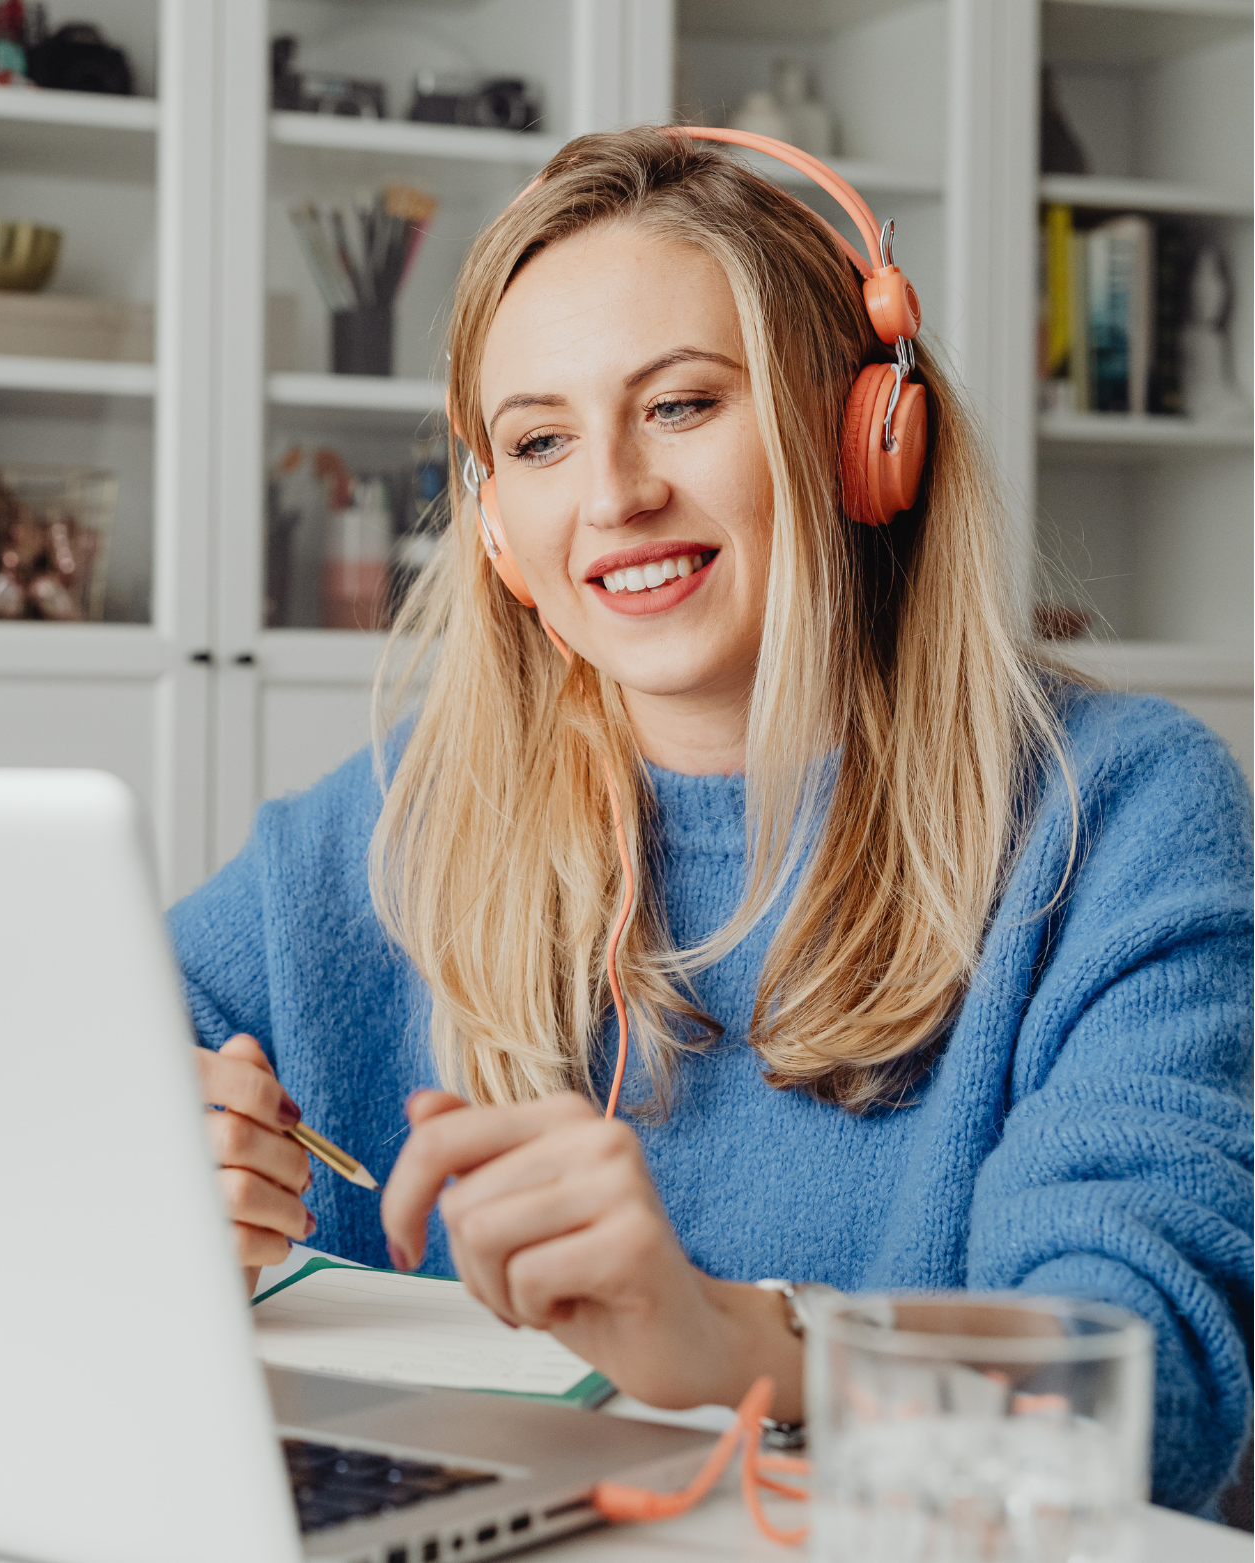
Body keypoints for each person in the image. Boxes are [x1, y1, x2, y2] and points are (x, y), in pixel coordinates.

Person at [171, 128, 1252, 1516]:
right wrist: (144, 1183)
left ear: (868, 437)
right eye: (539, 439)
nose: (613, 492)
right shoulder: (387, 828)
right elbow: (21, 1080)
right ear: (496, 529)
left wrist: (749, 1346)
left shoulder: (1122, 814)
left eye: (681, 405)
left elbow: (1134, 1394)